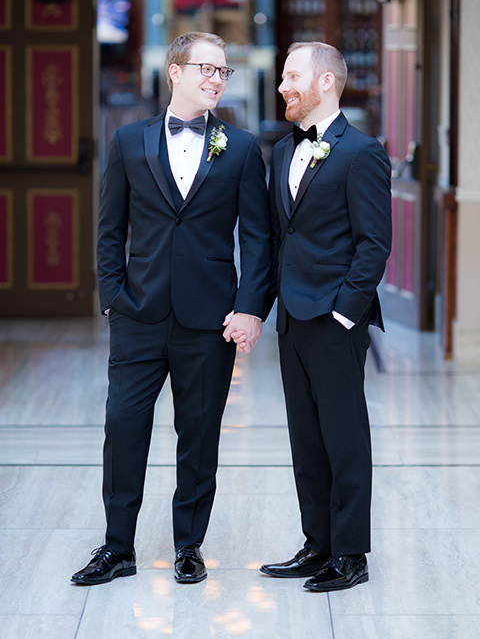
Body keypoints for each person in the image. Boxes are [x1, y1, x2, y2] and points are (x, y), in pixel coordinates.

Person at [71, 32, 271, 586]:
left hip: (209, 321)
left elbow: (257, 238)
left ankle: (189, 545)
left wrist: (249, 307)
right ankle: (117, 547)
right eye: (207, 68)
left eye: (223, 72)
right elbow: (110, 228)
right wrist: (112, 295)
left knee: (200, 434)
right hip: (137, 313)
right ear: (175, 71)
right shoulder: (129, 141)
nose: (216, 79)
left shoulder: (243, 147)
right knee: (124, 427)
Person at [260, 42, 391, 592]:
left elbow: (374, 245)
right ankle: (317, 544)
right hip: (291, 320)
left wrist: (344, 314)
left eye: (294, 77)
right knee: (305, 437)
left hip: (335, 320)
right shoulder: (283, 152)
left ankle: (351, 554)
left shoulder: (362, 153)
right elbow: (276, 236)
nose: (284, 86)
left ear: (327, 83)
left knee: (344, 436)